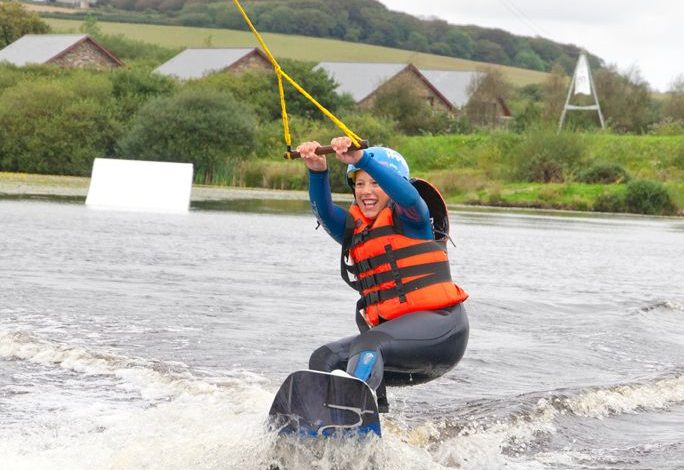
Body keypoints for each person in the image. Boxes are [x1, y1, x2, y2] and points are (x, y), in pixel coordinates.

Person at [297, 136, 469, 412]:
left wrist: (362, 160)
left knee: (369, 343)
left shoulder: (413, 216)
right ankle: (324, 422)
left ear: (391, 184)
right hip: (397, 345)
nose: (366, 191)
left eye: (375, 183)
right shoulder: (357, 230)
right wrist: (317, 171)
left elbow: (408, 195)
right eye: (360, 183)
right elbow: (325, 213)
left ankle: (349, 412)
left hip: (443, 331)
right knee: (325, 357)